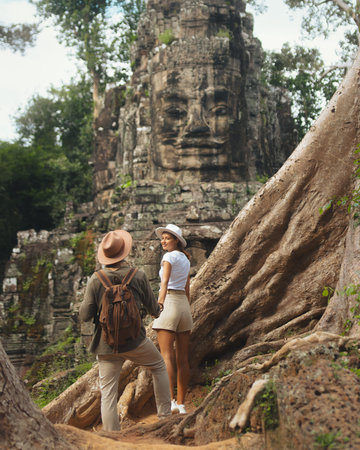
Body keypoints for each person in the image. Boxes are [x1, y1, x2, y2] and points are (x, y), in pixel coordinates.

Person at [79, 229, 171, 431]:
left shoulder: (96, 279)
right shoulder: (137, 275)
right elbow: (154, 310)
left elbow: (85, 315)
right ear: (125, 253)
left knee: (108, 392)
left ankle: (113, 436)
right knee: (158, 366)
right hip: (135, 341)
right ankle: (165, 417)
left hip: (106, 344)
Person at [152, 224, 192, 414]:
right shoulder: (185, 258)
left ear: (176, 240)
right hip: (184, 306)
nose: (163, 241)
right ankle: (182, 404)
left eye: (167, 238)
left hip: (169, 302)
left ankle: (170, 402)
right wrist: (187, 307)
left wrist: (159, 305)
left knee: (166, 356)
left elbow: (164, 282)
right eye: (163, 238)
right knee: (183, 358)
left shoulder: (168, 257)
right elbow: (187, 287)